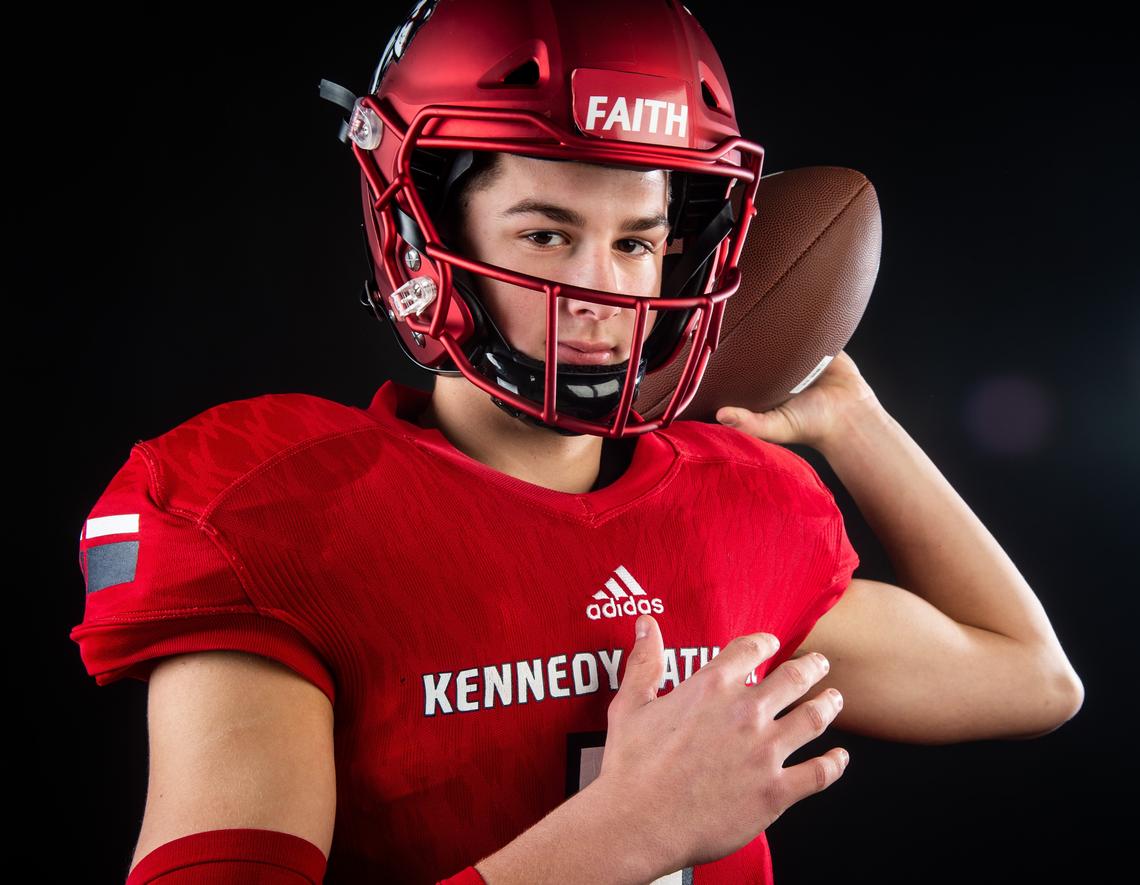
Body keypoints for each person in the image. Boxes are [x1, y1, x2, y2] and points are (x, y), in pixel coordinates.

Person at [71, 1, 1085, 883]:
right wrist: (618, 838)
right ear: (424, 235)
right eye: (547, 234)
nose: (602, 295)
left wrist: (852, 419)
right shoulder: (277, 513)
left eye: (637, 241)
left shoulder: (741, 504)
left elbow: (1030, 676)